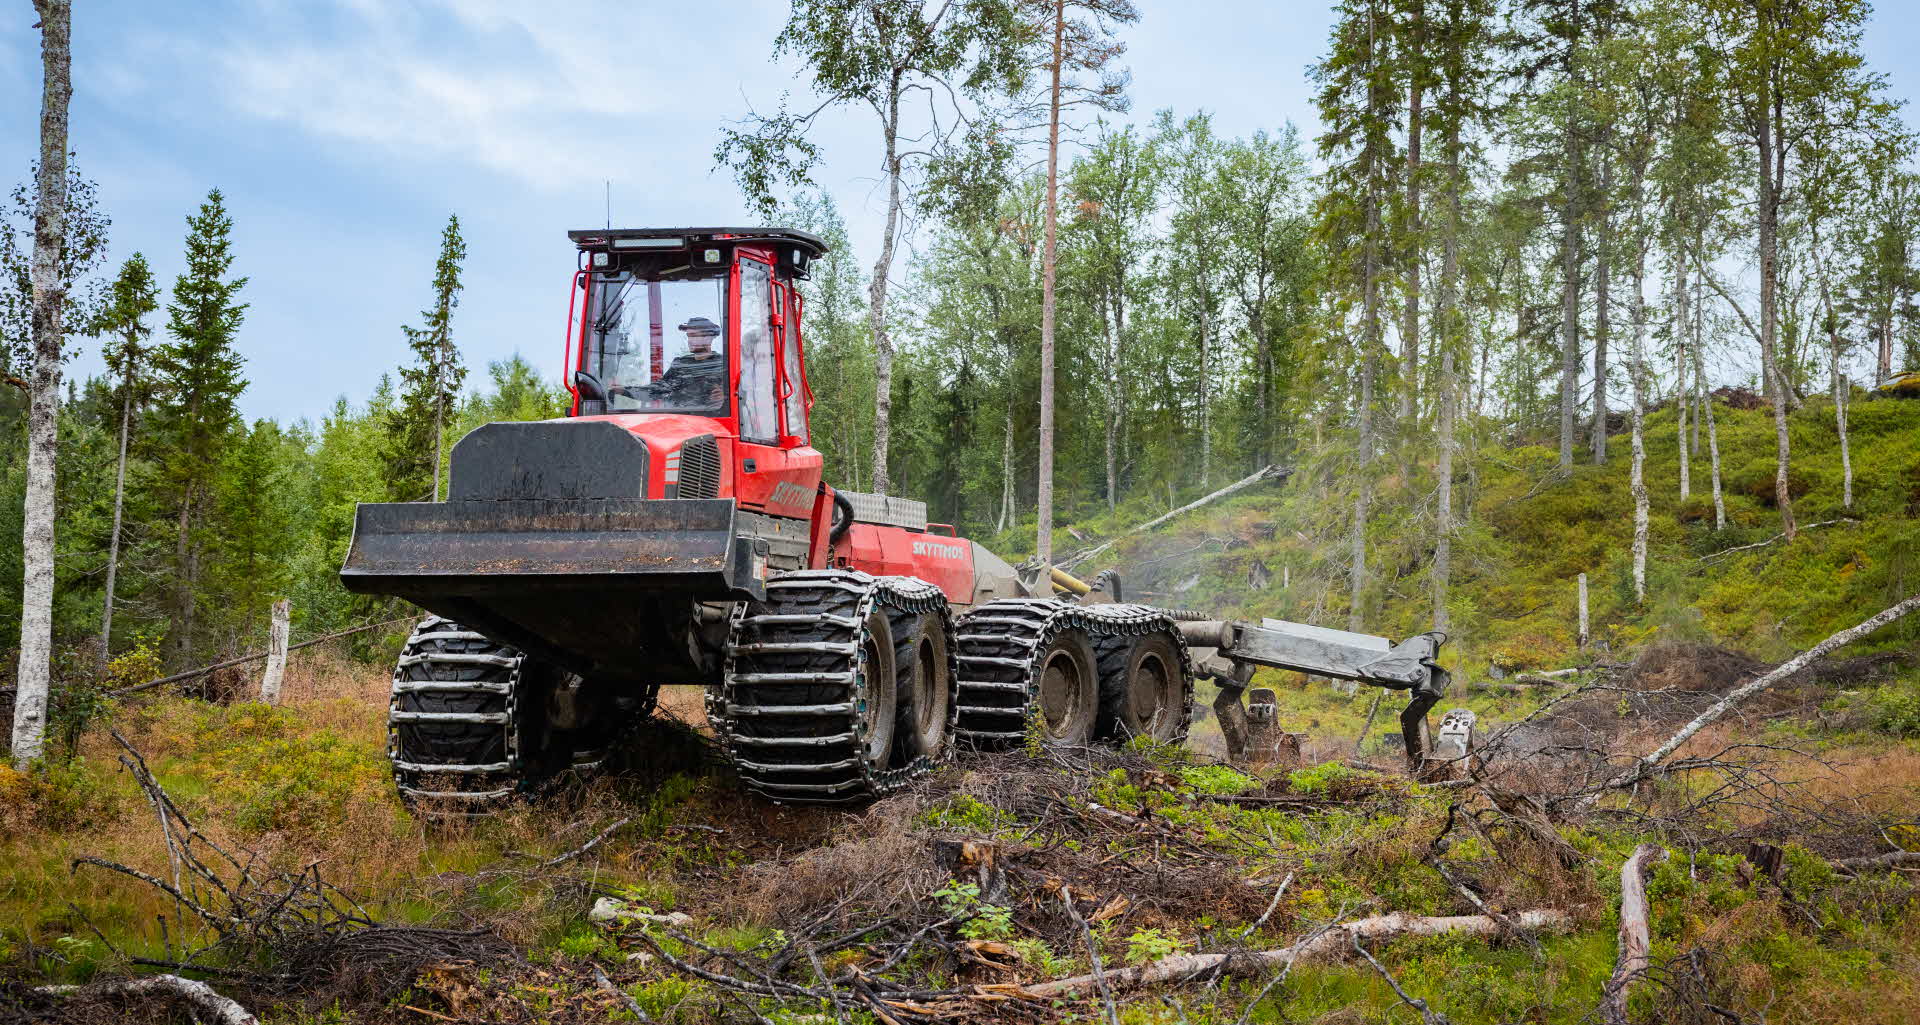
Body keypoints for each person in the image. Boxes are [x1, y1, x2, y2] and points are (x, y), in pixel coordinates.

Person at [658, 316, 726, 409]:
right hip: (678, 418)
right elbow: (659, 389)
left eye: (694, 336)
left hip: (710, 418)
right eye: (689, 336)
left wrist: (725, 397)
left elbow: (739, 394)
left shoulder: (723, 364)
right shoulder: (680, 364)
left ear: (708, 338)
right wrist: (633, 391)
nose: (689, 341)